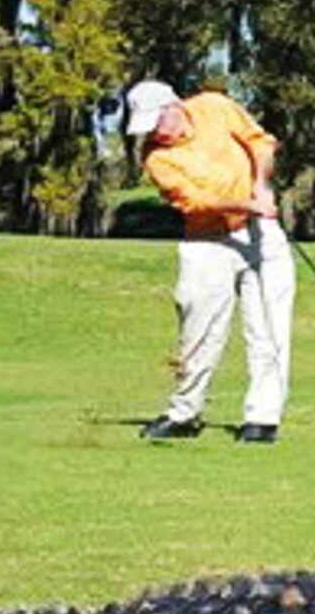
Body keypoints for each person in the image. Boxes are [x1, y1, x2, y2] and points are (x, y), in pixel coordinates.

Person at [122, 79, 293, 446]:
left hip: (260, 233)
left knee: (267, 327)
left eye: (156, 124)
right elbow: (196, 202)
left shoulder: (214, 106)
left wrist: (261, 185)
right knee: (198, 329)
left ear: (173, 107)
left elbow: (259, 141)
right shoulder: (157, 158)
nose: (153, 134)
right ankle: (185, 412)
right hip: (206, 241)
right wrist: (247, 204)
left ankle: (263, 418)